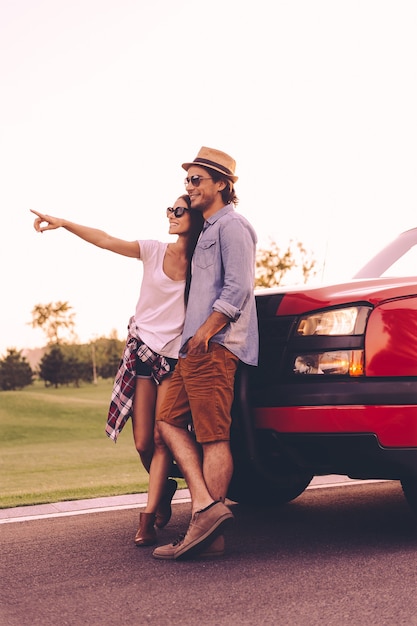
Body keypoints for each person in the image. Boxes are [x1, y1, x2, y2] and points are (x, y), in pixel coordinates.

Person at [30, 196, 204, 546]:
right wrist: (64, 223)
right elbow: (106, 239)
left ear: (195, 218)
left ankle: (146, 519)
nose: (170, 214)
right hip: (143, 353)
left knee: (160, 438)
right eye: (169, 209)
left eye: (178, 210)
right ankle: (166, 488)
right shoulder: (154, 250)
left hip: (174, 361)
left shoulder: (203, 265)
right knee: (142, 442)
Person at [152, 147, 259, 560]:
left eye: (197, 180)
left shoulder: (233, 226)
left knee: (214, 436)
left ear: (222, 185)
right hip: (192, 350)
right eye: (187, 181)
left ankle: (210, 536)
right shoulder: (208, 229)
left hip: (213, 348)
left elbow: (238, 288)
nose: (190, 187)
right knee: (167, 422)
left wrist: (206, 334)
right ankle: (207, 509)